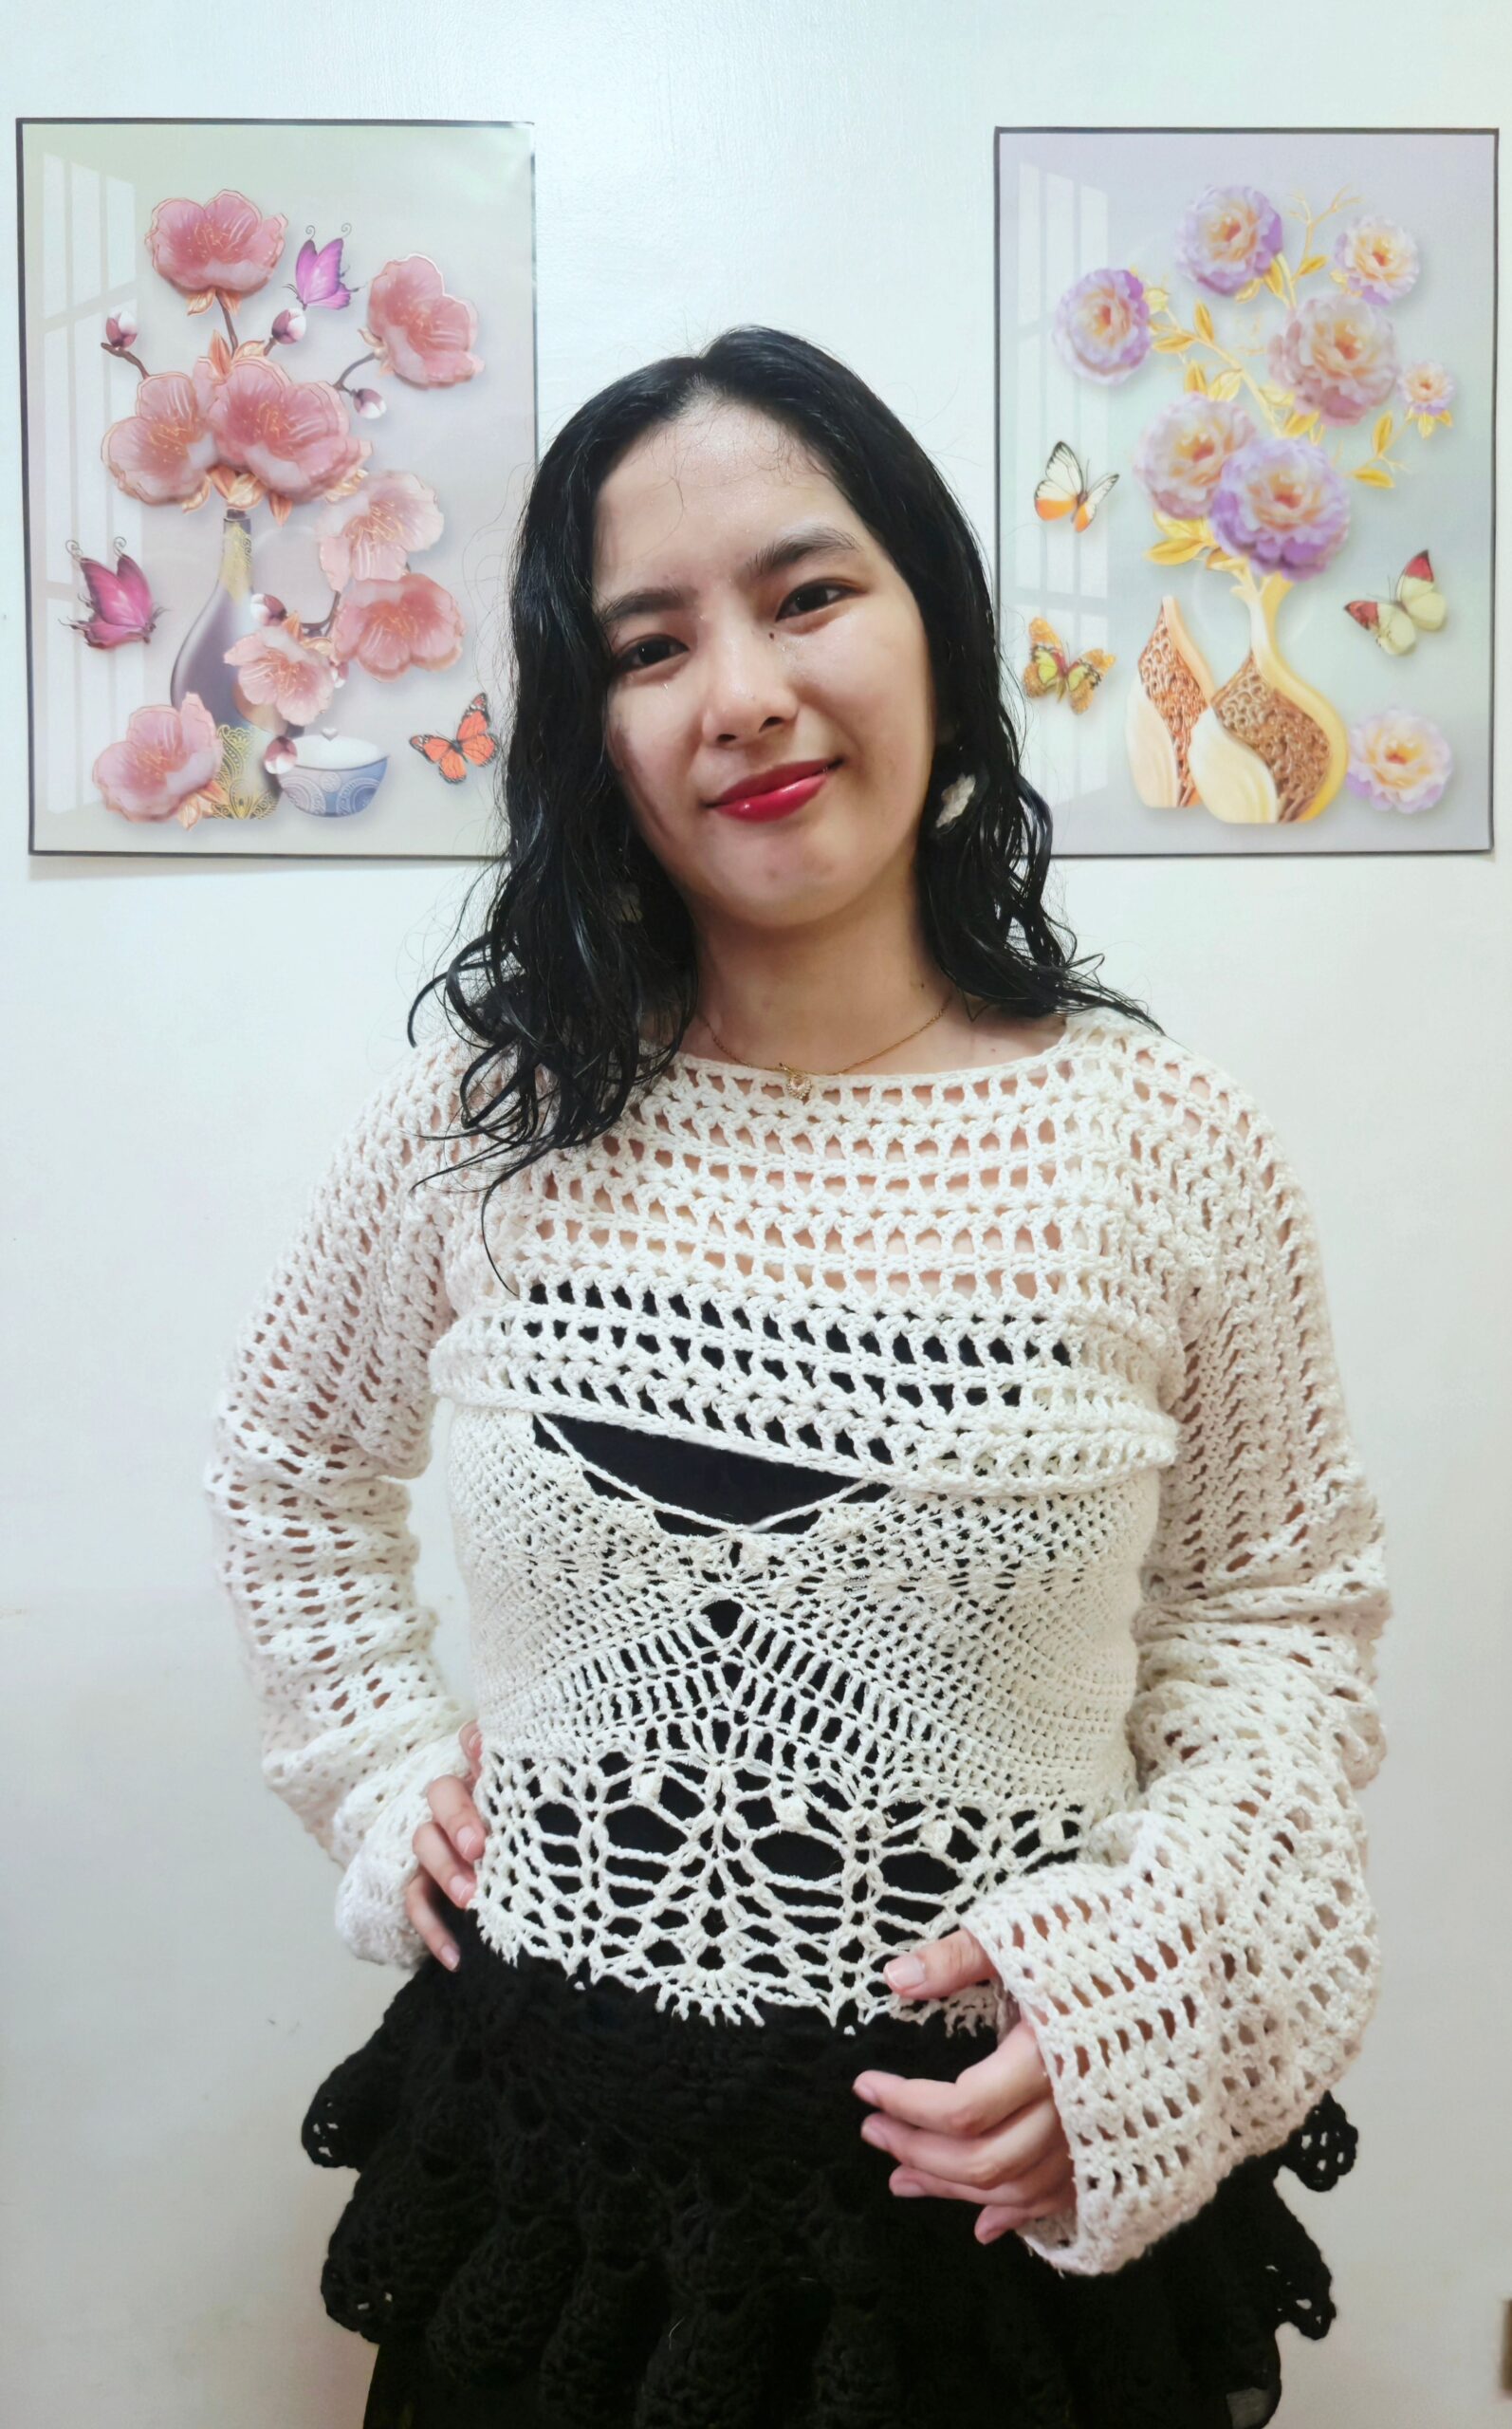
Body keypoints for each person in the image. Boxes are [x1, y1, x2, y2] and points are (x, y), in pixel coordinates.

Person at [205, 325, 1389, 2429]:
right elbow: (287, 1468)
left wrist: (1156, 1984)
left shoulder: (1158, 1146)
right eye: (649, 646)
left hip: (990, 2240)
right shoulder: (482, 1134)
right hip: (553, 2198)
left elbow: (1277, 1621)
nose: (739, 693)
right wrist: (380, 1774)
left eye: (807, 594)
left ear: (936, 619)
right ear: (592, 727)